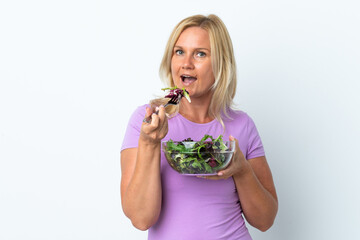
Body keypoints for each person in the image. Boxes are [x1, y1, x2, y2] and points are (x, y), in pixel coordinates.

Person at [120, 14, 278, 240]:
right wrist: (149, 143)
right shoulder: (147, 120)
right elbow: (141, 218)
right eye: (179, 52)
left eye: (200, 54)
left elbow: (265, 221)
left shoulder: (242, 125)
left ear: (220, 63)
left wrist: (242, 170)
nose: (186, 63)